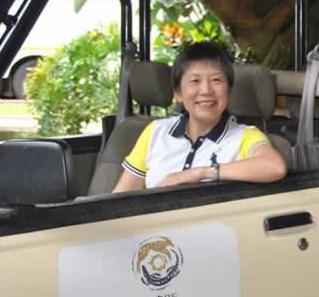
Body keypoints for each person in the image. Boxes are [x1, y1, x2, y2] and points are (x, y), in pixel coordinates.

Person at [112, 42, 287, 192]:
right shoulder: (155, 132)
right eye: (195, 81)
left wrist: (199, 173)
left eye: (216, 80)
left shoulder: (245, 136)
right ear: (178, 93)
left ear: (228, 90)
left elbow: (275, 166)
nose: (206, 91)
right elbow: (119, 199)